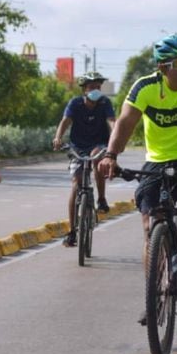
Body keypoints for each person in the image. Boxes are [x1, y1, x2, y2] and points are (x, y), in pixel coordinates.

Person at [97, 34, 177, 324]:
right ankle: (154, 292)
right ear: (162, 68)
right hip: (159, 161)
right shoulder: (145, 87)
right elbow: (126, 122)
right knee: (150, 225)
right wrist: (111, 155)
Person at [53, 71, 117, 247]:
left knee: (98, 160)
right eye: (91, 87)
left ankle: (101, 199)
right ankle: (72, 231)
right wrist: (58, 137)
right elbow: (65, 121)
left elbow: (112, 122)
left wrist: (115, 139)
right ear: (84, 90)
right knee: (76, 183)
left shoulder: (105, 103)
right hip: (78, 147)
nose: (95, 90)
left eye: (98, 87)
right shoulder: (75, 103)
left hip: (99, 143)